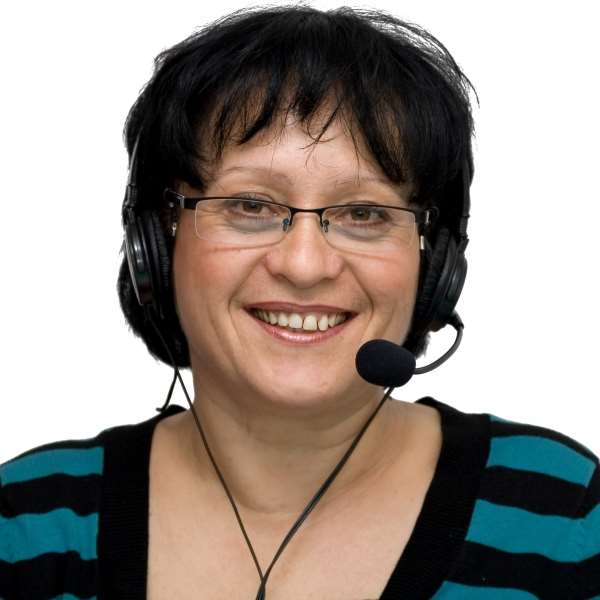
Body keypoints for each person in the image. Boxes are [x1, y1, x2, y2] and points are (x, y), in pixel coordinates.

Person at [1, 5, 598, 599]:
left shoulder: (564, 517)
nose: (305, 265)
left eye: (364, 213)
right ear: (155, 245)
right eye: (250, 206)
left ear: (436, 265)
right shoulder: (25, 524)